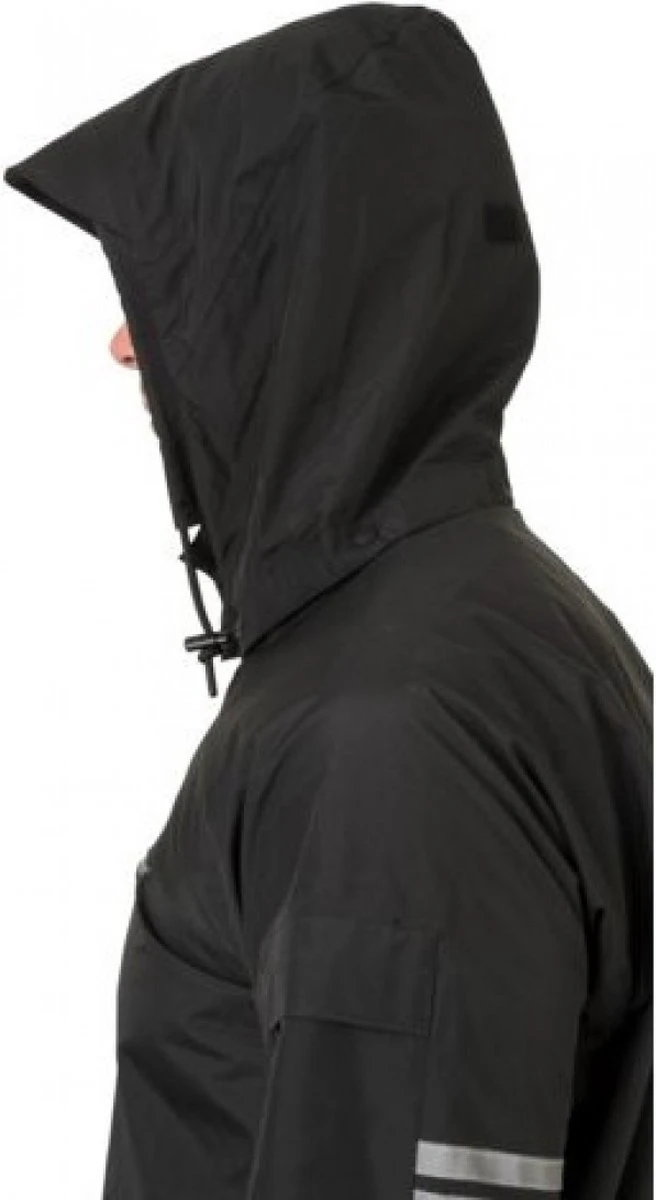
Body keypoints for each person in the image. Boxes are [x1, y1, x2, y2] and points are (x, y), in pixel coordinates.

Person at [4, 4, 652, 1198]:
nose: (125, 346)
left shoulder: (388, 728)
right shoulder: (493, 628)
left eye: (169, 287)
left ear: (288, 297)